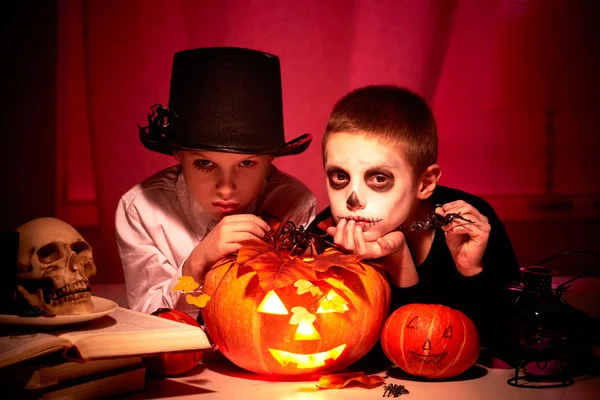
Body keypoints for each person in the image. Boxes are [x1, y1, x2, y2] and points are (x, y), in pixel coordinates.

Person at [308, 84, 521, 361]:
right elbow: (347, 353)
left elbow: (509, 344)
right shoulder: (321, 237)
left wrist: (472, 270)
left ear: (425, 183)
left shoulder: (468, 223)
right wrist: (392, 262)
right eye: (339, 177)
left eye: (379, 178)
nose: (352, 200)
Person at [116, 47, 316, 318]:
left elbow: (298, 306)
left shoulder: (293, 203)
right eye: (205, 164)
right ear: (178, 155)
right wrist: (197, 263)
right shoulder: (142, 209)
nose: (225, 188)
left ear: (270, 158)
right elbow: (144, 317)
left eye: (246, 164)